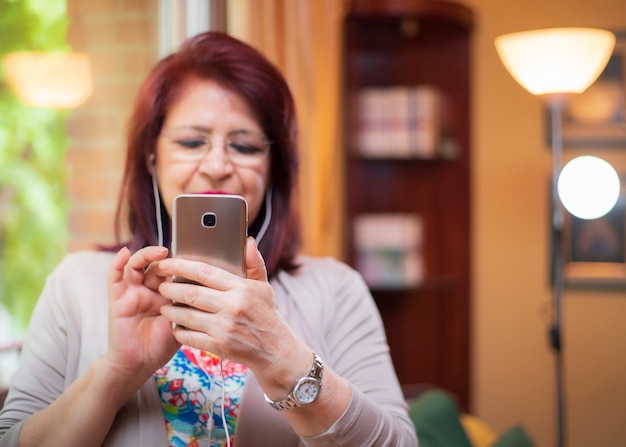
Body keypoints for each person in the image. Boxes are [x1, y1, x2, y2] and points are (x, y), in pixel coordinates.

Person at [0, 31, 418, 446]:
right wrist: (117, 371)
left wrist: (279, 356)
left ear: (274, 168)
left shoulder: (335, 290)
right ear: (151, 156)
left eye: (245, 146)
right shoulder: (76, 285)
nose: (217, 165)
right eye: (192, 141)